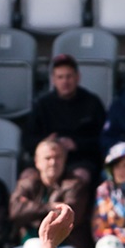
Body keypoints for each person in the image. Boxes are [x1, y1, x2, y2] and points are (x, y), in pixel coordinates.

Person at [0, 138, 89, 248]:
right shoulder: (26, 183)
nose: (53, 162)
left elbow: (68, 216)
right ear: (37, 161)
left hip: (63, 244)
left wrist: (31, 209)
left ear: (65, 160)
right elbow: (15, 212)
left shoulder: (75, 184)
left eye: (57, 157)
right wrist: (50, 207)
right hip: (28, 245)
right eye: (48, 158)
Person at [24, 52, 106, 183]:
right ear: (53, 80)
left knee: (80, 176)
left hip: (79, 159)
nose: (65, 81)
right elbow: (27, 140)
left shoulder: (92, 103)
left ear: (78, 77)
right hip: (48, 159)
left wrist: (76, 144)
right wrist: (46, 143)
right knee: (27, 177)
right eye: (60, 77)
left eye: (69, 77)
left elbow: (103, 140)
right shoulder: (42, 104)